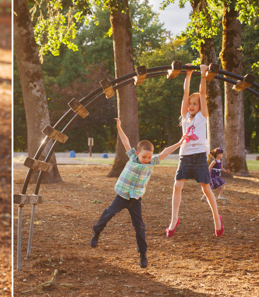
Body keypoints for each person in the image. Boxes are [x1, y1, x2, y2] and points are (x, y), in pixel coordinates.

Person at [90, 118, 184, 268]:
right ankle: (96, 231)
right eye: (144, 157)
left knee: (139, 227)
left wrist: (179, 143)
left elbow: (165, 152)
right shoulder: (133, 157)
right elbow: (126, 142)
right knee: (109, 213)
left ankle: (143, 254)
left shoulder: (152, 162)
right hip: (122, 196)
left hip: (135, 199)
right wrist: (119, 128)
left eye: (149, 157)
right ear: (138, 153)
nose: (147, 159)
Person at [167, 64, 223, 238]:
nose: (191, 106)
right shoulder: (185, 117)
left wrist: (204, 75)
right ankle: (174, 219)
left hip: (199, 157)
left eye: (194, 104)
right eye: (190, 104)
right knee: (177, 187)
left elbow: (203, 94)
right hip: (184, 156)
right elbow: (185, 94)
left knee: (206, 189)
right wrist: (189, 74)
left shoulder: (202, 116)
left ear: (200, 106)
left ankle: (216, 218)